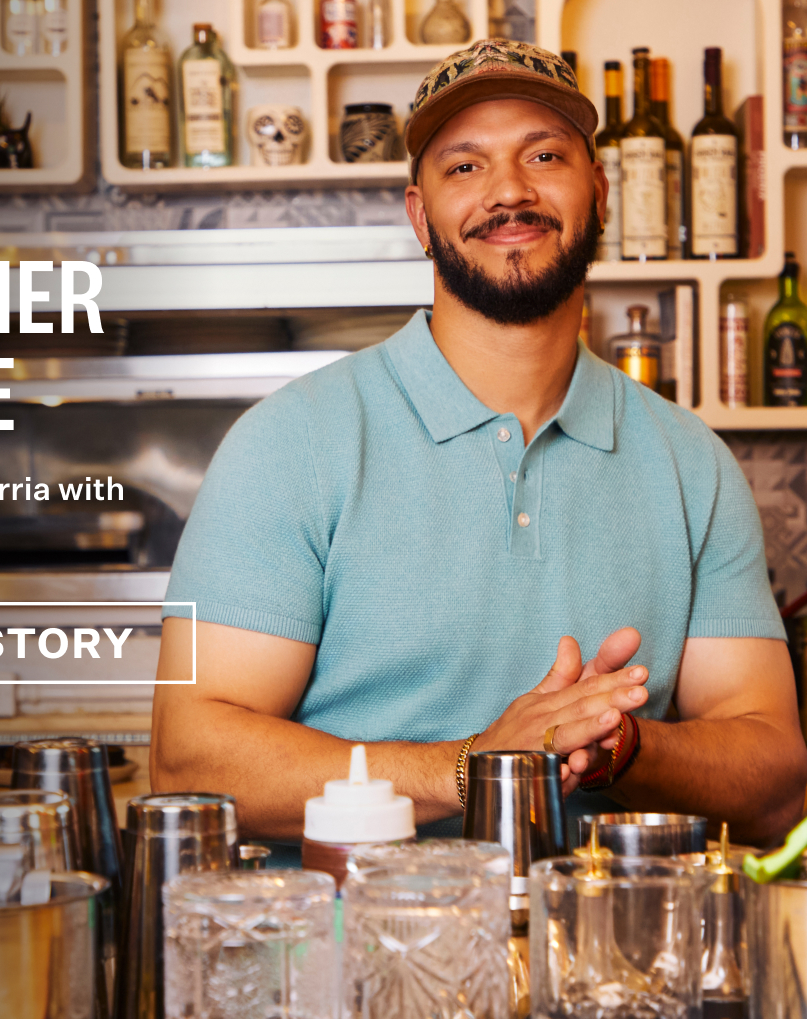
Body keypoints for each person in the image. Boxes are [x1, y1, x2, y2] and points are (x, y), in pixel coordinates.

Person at [150, 39, 807, 849]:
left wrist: (621, 746)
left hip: (612, 961)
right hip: (355, 961)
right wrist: (477, 765)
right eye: (465, 167)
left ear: (599, 194)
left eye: (544, 155)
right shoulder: (288, 445)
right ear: (420, 217)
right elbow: (188, 762)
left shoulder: (691, 463)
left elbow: (776, 781)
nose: (509, 191)